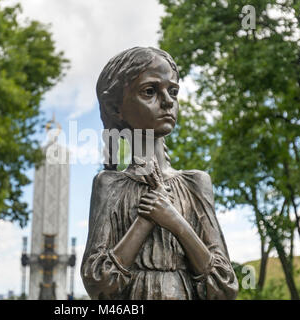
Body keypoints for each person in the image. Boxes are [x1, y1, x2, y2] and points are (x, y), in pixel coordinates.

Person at [81, 47, 239, 300]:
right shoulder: (109, 185)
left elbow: (224, 287)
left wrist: (174, 221)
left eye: (173, 91)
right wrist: (145, 220)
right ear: (116, 108)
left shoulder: (196, 183)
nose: (167, 101)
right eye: (150, 91)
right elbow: (99, 284)